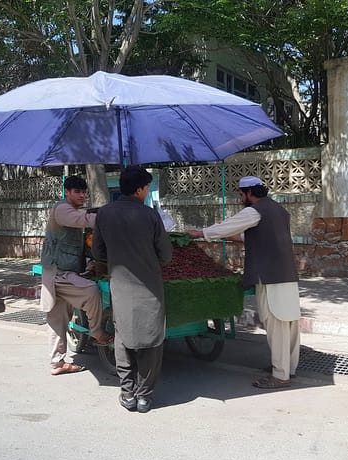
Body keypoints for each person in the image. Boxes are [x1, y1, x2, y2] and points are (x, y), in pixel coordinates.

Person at [187, 176, 300, 389]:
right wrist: (230, 237)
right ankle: (287, 368)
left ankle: (280, 375)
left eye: (241, 194)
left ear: (249, 193)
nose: (240, 198)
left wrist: (200, 233)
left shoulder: (254, 211)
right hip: (286, 275)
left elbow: (229, 226)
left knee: (276, 324)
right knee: (289, 323)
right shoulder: (278, 210)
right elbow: (256, 236)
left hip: (270, 276)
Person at [92, 166, 173, 412]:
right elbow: (166, 255)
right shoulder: (150, 215)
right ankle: (144, 396)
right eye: (147, 187)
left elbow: (98, 252)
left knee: (123, 336)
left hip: (120, 285)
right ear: (139, 189)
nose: (147, 191)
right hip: (149, 287)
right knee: (151, 338)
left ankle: (127, 393)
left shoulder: (104, 214)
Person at [40, 175, 113, 376]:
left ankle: (57, 364)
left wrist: (89, 264)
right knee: (90, 291)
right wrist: (113, 215)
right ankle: (97, 332)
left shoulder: (73, 211)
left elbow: (78, 246)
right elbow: (84, 220)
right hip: (58, 274)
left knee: (58, 322)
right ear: (67, 192)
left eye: (84, 192)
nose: (82, 195)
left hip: (61, 273)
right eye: (77, 192)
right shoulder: (63, 209)